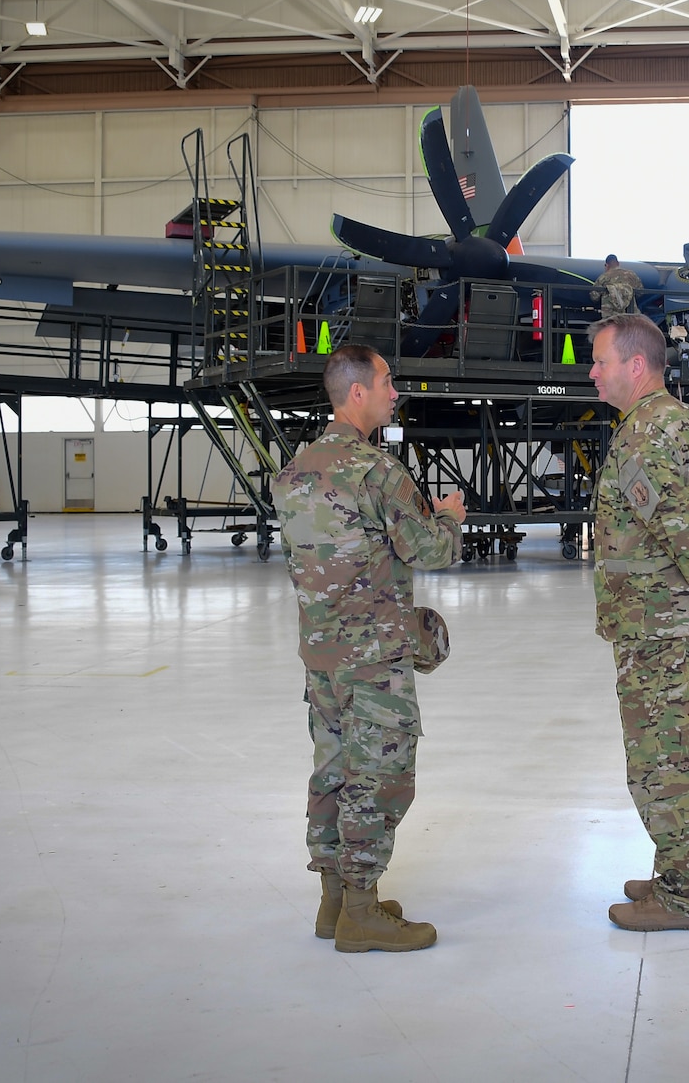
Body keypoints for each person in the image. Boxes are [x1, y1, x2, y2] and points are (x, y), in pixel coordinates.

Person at [274, 344, 466, 953]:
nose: (393, 390)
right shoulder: (377, 473)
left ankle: (334, 902)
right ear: (357, 392)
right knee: (379, 774)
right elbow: (430, 551)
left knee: (332, 770)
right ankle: (362, 913)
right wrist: (451, 518)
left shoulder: (296, 471)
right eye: (386, 380)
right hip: (374, 659)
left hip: (322, 655)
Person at [587, 312, 689, 931]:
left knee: (662, 760)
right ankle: (687, 873)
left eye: (600, 361)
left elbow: (680, 527)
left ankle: (684, 898)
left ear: (636, 366)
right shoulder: (688, 425)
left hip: (655, 628)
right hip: (685, 626)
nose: (592, 372)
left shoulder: (641, 436)